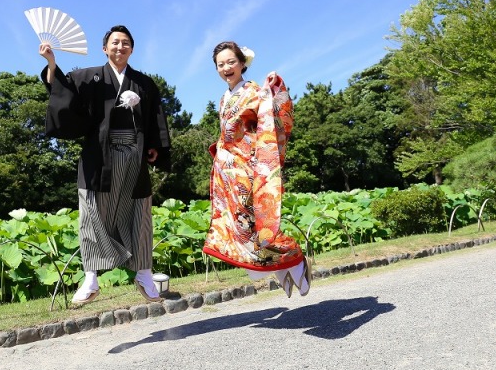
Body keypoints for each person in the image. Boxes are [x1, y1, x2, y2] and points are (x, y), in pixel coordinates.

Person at [39, 25, 171, 306]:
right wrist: (51, 63)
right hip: (100, 155)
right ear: (105, 48)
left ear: (132, 49)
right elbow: (60, 90)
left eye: (125, 43)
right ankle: (91, 278)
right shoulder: (89, 77)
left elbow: (155, 118)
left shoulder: (144, 83)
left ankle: (144, 274)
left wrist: (154, 147)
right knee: (90, 211)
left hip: (134, 154)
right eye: (115, 42)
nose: (120, 47)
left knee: (140, 211)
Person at [202, 40, 311, 297]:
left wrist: (273, 89)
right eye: (220, 64)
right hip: (227, 171)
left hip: (247, 168)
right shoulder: (224, 98)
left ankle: (294, 259)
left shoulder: (253, 91)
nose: (226, 68)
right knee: (239, 226)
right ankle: (281, 267)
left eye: (231, 62)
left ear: (242, 63)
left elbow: (272, 117)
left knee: (254, 223)